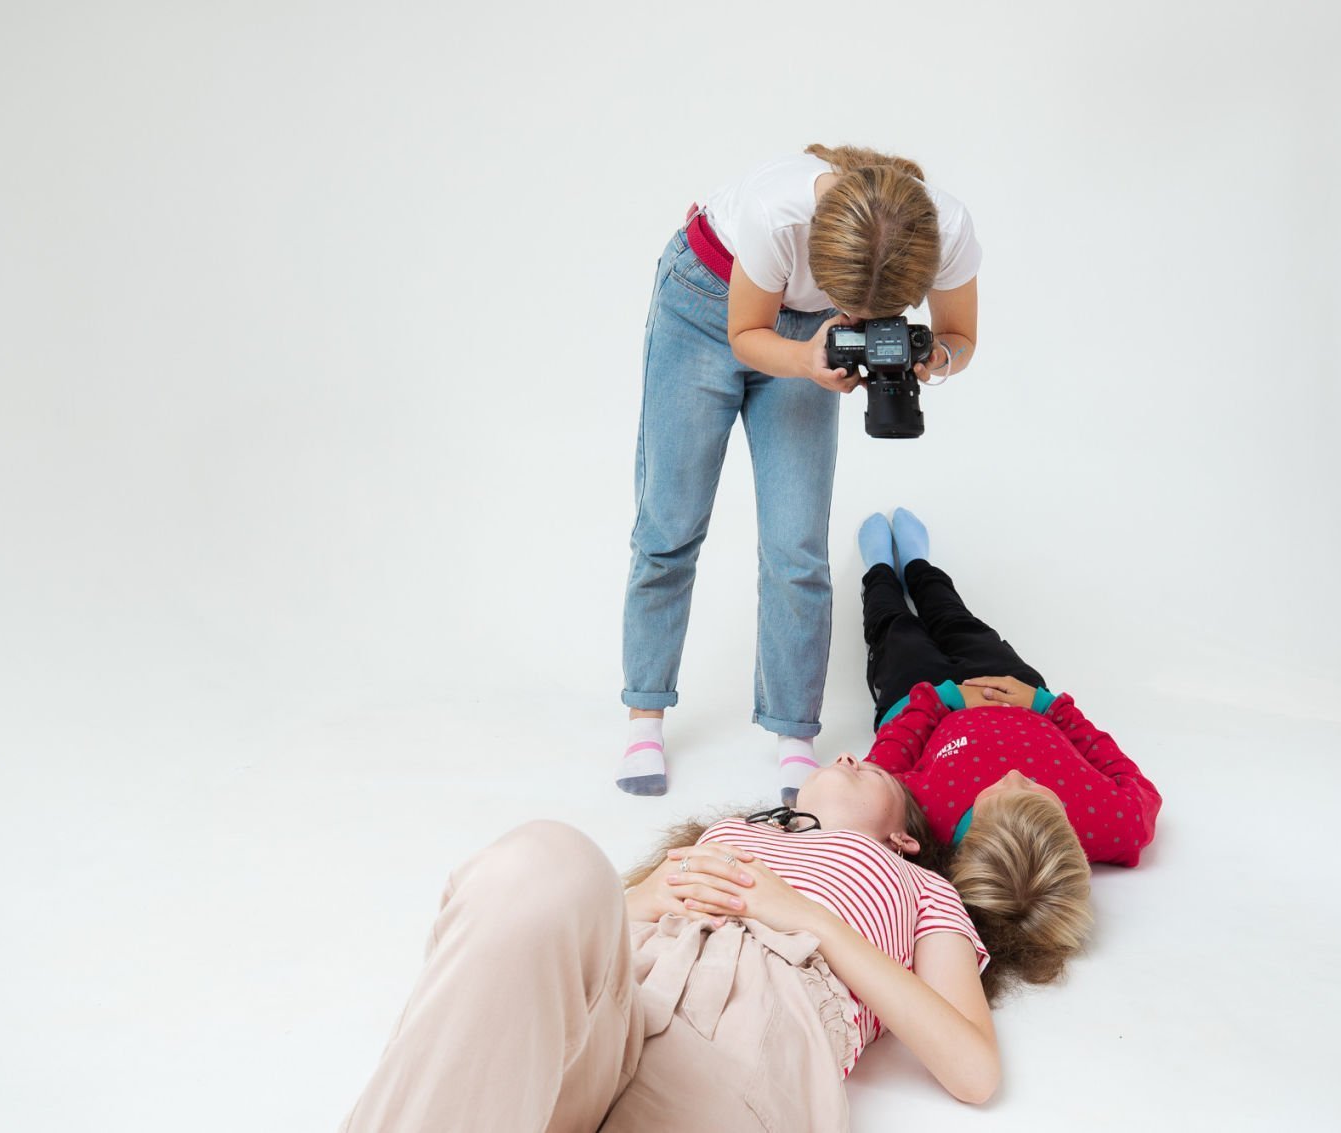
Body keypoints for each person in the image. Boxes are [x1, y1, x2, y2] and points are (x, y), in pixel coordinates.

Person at [339, 756, 997, 1133]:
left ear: (904, 838)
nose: (850, 757)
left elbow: (974, 1069)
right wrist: (642, 897)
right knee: (545, 860)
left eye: (877, 769)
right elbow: (562, 934)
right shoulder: (733, 832)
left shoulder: (922, 886)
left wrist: (806, 917)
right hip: (630, 985)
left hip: (756, 1039)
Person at [618, 144, 982, 803]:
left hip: (814, 327)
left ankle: (794, 735)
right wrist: (806, 359)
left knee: (798, 546)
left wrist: (933, 359)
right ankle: (645, 716)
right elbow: (747, 333)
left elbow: (960, 337)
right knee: (670, 524)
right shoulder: (776, 213)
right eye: (856, 307)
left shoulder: (948, 226)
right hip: (705, 304)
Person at [855, 509, 1164, 997]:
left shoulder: (927, 819)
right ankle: (918, 566)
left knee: (896, 629)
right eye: (1041, 792)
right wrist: (1049, 707)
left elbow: (881, 767)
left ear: (967, 841)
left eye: (999, 793)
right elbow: (1125, 774)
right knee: (956, 619)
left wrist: (940, 700)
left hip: (921, 700)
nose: (1018, 775)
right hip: (1014, 688)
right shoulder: (1114, 822)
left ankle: (879, 572)